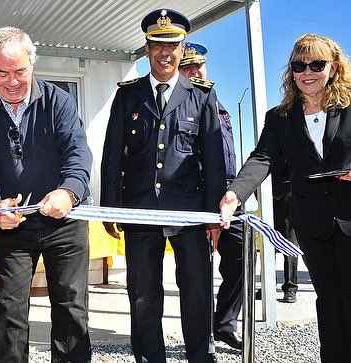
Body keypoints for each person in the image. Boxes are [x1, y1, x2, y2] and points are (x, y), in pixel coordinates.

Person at [0, 26, 93, 363]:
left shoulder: (59, 101)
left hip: (66, 223)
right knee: (10, 310)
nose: (12, 81)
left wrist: (68, 192)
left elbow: (78, 155)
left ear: (32, 65)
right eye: (1, 72)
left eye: (20, 71)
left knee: (70, 306)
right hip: (12, 225)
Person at [101, 9, 226, 363]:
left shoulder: (201, 96)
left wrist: (215, 214)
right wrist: (112, 206)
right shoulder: (128, 96)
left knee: (197, 293)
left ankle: (201, 357)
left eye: (172, 44)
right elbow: (113, 156)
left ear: (182, 47)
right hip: (140, 210)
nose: (165, 52)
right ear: (146, 48)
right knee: (143, 296)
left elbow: (213, 161)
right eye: (157, 44)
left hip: (189, 211)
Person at [220, 34, 351, 362]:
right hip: (313, 223)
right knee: (329, 299)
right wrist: (234, 194)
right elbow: (262, 157)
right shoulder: (279, 118)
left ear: (333, 68)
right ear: (291, 72)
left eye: (317, 64)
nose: (308, 71)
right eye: (299, 65)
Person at [179, 42, 243, 350]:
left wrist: (235, 193)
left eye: (197, 66)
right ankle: (202, 337)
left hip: (231, 193)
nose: (194, 71)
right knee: (198, 270)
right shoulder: (180, 105)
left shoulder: (217, 103)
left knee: (242, 256)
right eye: (186, 68)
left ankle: (225, 323)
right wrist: (209, 209)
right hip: (199, 197)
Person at [271, 160, 299, 304]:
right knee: (269, 244)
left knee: (289, 244)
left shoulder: (290, 143)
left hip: (288, 196)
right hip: (271, 198)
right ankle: (269, 286)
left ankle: (290, 289)